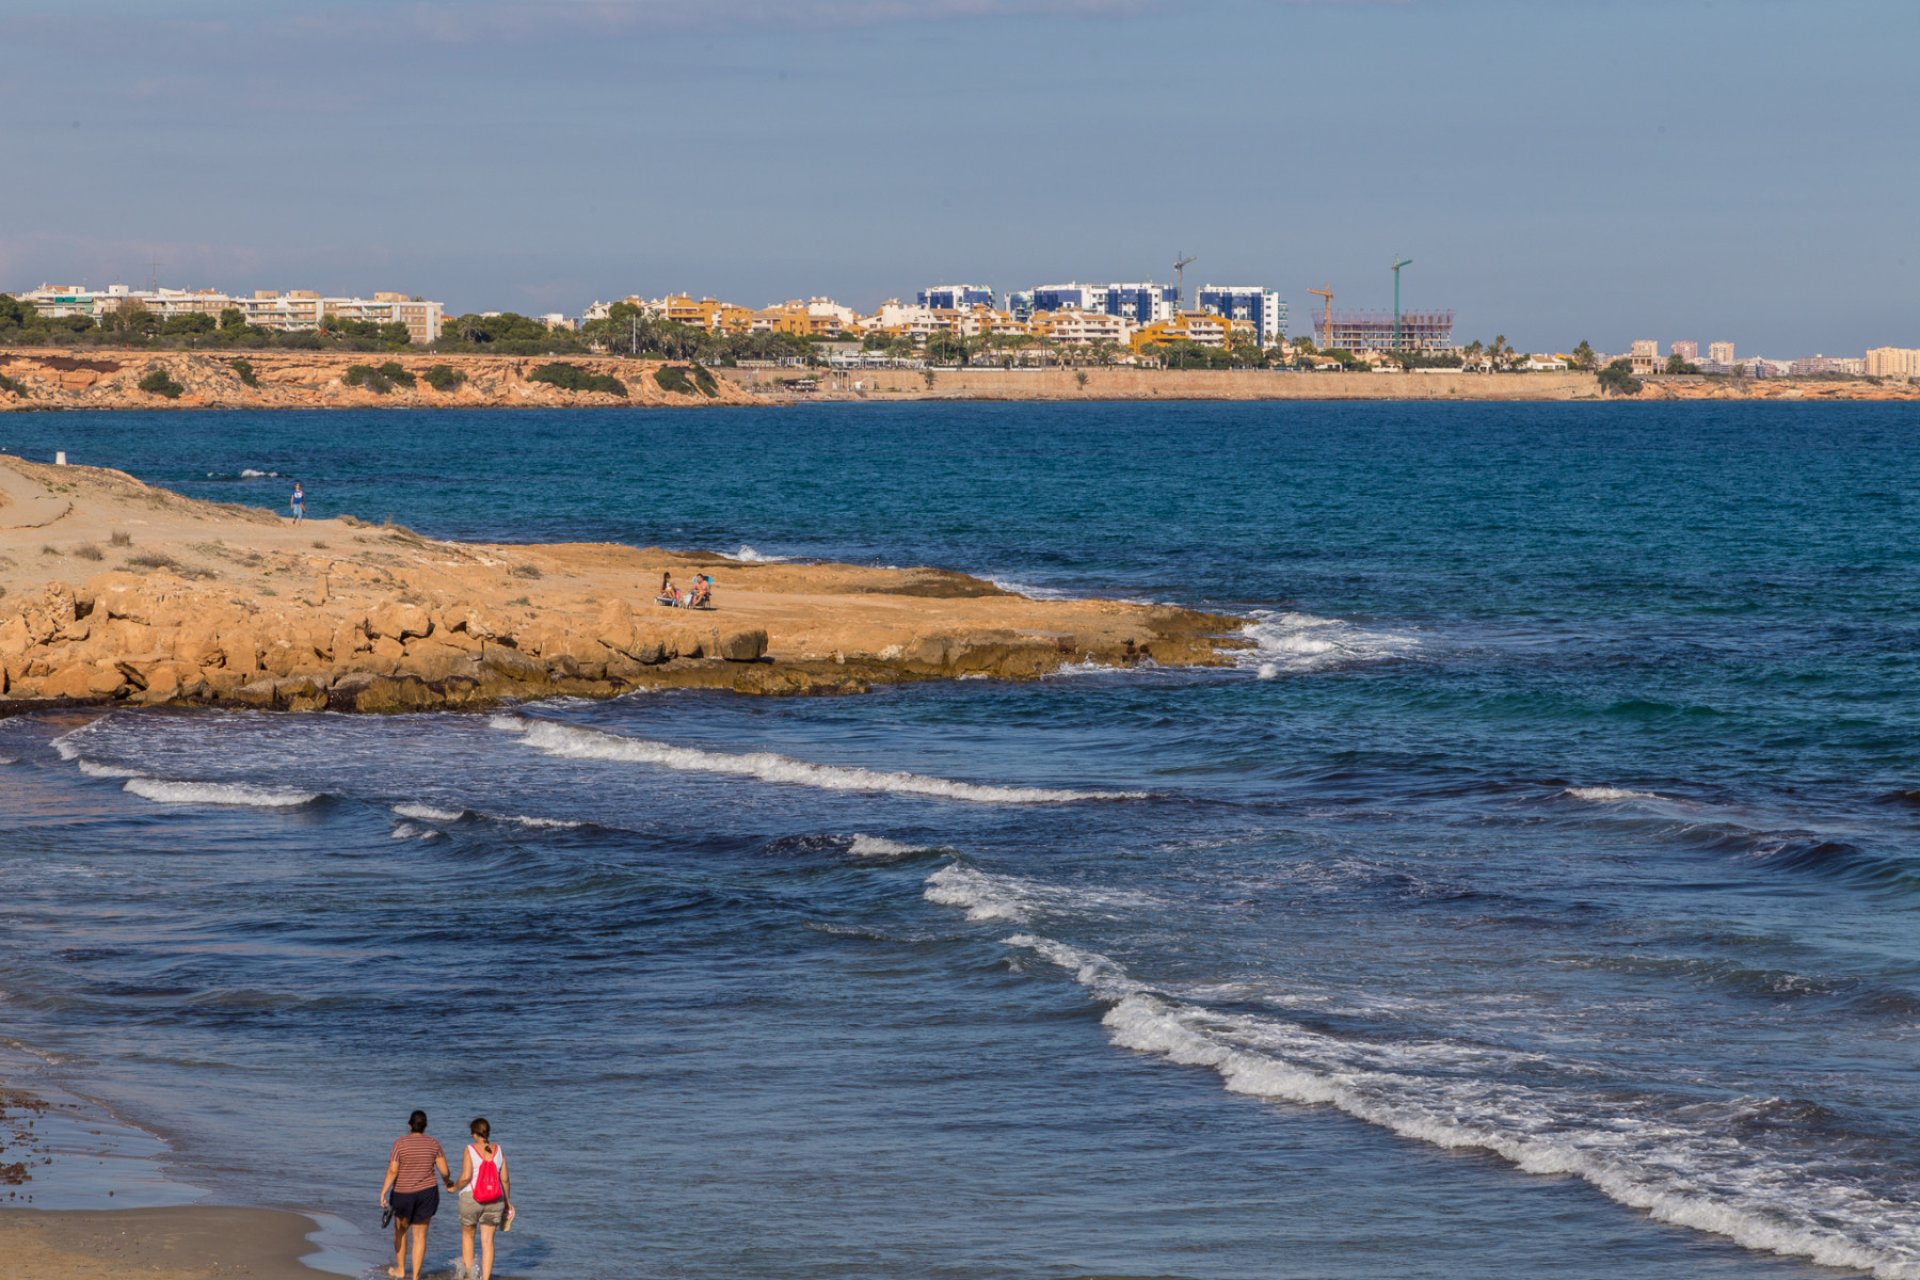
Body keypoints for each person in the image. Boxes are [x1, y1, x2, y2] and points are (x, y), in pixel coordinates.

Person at [379, 1109, 450, 1280]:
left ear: (409, 1125)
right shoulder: (433, 1143)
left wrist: (383, 1192)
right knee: (420, 1235)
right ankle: (416, 1276)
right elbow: (444, 1171)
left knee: (400, 1231)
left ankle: (401, 1269)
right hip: (427, 1193)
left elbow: (392, 1170)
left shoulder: (400, 1143)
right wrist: (448, 1183)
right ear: (425, 1126)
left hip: (403, 1194)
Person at [450, 1116, 512, 1280]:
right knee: (488, 1242)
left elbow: (465, 1176)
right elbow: (505, 1179)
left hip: (472, 1199)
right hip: (495, 1200)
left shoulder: (470, 1149)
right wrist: (508, 1202)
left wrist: (453, 1188)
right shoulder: (499, 1149)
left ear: (474, 1134)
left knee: (468, 1236)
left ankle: (470, 1275)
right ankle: (485, 1278)